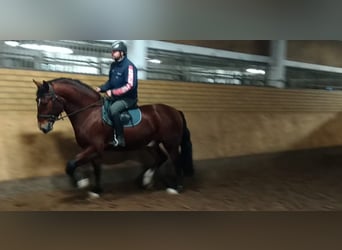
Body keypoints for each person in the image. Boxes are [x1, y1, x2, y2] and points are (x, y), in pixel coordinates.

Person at [95, 41, 138, 147]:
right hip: (115, 97)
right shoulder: (113, 65)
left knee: (113, 110)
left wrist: (113, 92)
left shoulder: (129, 67)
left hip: (128, 99)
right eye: (112, 51)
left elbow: (130, 85)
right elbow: (110, 82)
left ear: (122, 53)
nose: (112, 53)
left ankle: (120, 138)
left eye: (115, 51)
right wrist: (101, 88)